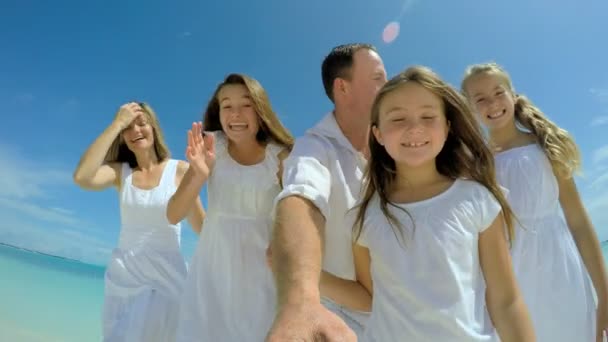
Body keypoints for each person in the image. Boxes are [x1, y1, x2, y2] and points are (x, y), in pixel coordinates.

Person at [329, 66, 535, 341]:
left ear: (447, 128)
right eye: (398, 118)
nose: (415, 128)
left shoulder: (477, 198)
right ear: (377, 134)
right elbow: (370, 296)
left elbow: (506, 302)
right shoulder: (363, 215)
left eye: (428, 116)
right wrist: (306, 278)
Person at [461, 62, 608, 342]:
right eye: (479, 99)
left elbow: (578, 222)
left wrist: (605, 294)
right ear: (470, 109)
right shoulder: (475, 166)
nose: (492, 103)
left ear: (513, 95)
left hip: (564, 274)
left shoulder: (544, 145)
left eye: (498, 92)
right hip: (511, 283)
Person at [266, 43, 387, 341]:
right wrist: (300, 301)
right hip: (342, 325)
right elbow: (301, 197)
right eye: (378, 78)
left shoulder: (393, 145)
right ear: (342, 88)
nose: (388, 86)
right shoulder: (313, 149)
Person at [172, 74, 294, 342]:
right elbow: (173, 214)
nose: (235, 113)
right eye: (226, 105)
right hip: (212, 271)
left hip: (264, 272)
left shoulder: (281, 155)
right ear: (218, 111)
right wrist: (199, 174)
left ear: (261, 108)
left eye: (246, 104)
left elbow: (297, 218)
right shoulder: (212, 147)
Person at [73, 102, 204, 342]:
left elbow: (201, 228)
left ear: (154, 129)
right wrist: (116, 124)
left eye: (142, 124)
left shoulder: (180, 170)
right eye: (128, 127)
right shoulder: (120, 172)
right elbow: (82, 176)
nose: (135, 132)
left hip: (166, 281)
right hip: (124, 279)